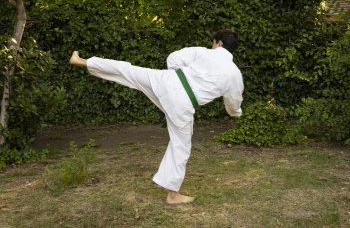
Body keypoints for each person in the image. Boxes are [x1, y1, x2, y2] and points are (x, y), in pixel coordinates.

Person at [69, 30, 244, 204]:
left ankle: (83, 61)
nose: (212, 46)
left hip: (166, 81)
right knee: (181, 145)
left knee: (128, 71)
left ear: (219, 43)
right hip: (183, 104)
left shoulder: (202, 52)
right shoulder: (234, 74)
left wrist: (178, 80)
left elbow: (173, 59)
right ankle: (173, 195)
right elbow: (233, 101)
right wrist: (235, 113)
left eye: (213, 42)